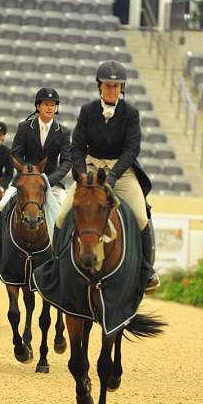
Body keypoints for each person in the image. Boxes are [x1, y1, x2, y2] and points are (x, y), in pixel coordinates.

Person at [54, 60, 160, 293]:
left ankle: (146, 270)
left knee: (142, 217)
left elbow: (132, 149)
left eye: (116, 85)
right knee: (62, 215)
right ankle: (54, 265)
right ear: (99, 86)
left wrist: (112, 177)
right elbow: (78, 147)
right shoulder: (87, 111)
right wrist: (82, 176)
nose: (111, 89)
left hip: (121, 173)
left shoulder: (131, 113)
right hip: (91, 171)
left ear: (122, 88)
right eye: (107, 85)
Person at [0, 87, 72, 209]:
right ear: (38, 106)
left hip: (52, 183)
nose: (49, 107)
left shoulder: (63, 132)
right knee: (2, 205)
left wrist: (50, 179)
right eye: (46, 104)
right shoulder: (24, 127)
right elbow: (15, 154)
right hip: (25, 179)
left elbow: (67, 161)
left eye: (52, 105)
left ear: (56, 108)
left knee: (66, 212)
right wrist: (26, 172)